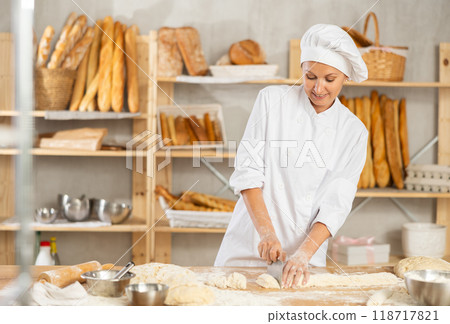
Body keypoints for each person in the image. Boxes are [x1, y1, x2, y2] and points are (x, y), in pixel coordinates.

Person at [214, 24, 369, 289]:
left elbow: (336, 205)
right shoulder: (271, 100)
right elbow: (248, 172)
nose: (318, 88)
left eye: (329, 79)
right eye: (310, 76)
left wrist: (303, 254)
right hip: (247, 248)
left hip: (304, 261)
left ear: (345, 76)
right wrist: (266, 232)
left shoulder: (353, 131)